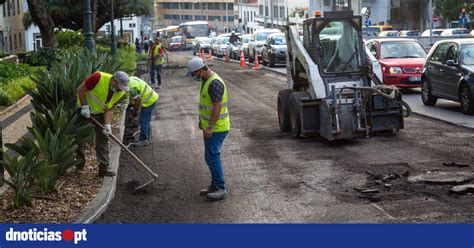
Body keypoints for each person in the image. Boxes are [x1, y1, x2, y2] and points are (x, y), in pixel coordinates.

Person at [185, 58, 230, 201]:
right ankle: (215, 184)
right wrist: (202, 122)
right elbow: (207, 105)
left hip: (217, 128)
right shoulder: (206, 81)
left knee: (212, 156)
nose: (194, 77)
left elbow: (217, 107)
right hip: (211, 127)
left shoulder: (214, 83)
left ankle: (220, 187)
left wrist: (209, 127)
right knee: (210, 156)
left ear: (200, 71)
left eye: (194, 74)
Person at [76, 71, 130, 177]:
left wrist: (107, 125)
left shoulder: (120, 93)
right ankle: (79, 166)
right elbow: (80, 89)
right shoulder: (98, 77)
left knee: (103, 138)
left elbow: (110, 109)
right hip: (85, 112)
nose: (120, 90)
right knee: (81, 139)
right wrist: (84, 106)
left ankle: (103, 168)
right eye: (119, 86)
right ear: (114, 81)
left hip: (100, 114)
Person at [128, 76, 159, 147]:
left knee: (143, 120)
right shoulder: (131, 79)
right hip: (152, 96)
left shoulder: (132, 88)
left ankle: (144, 140)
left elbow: (137, 101)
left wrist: (134, 113)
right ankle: (148, 137)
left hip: (149, 100)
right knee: (146, 120)